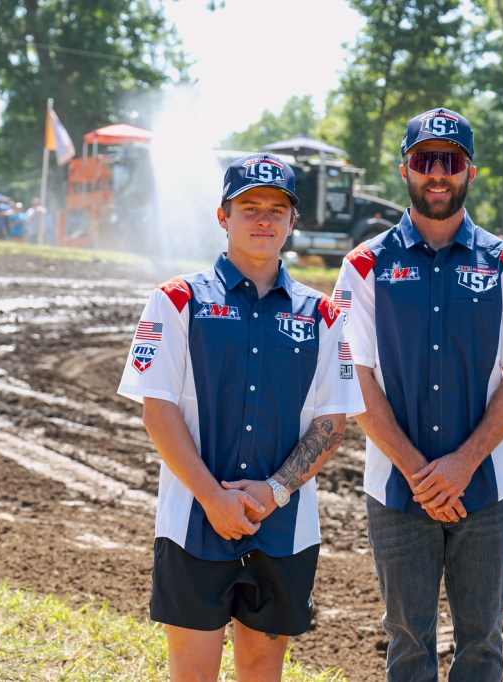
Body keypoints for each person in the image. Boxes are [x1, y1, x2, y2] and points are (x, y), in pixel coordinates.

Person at [118, 153, 364, 681]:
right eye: (248, 206)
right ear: (222, 216)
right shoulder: (176, 300)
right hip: (192, 524)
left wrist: (272, 492)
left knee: (260, 667)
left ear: (293, 221)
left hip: (283, 529)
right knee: (193, 671)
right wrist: (214, 497)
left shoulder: (323, 315)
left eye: (277, 209)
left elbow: (332, 424)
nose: (263, 219)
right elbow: (157, 412)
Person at [334, 107, 503, 681]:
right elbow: (355, 377)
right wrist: (416, 470)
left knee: (482, 646)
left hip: (484, 489)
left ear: (470, 173)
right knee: (407, 646)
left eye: (450, 161)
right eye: (424, 160)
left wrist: (463, 463)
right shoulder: (362, 266)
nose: (438, 173)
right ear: (405, 170)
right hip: (395, 488)